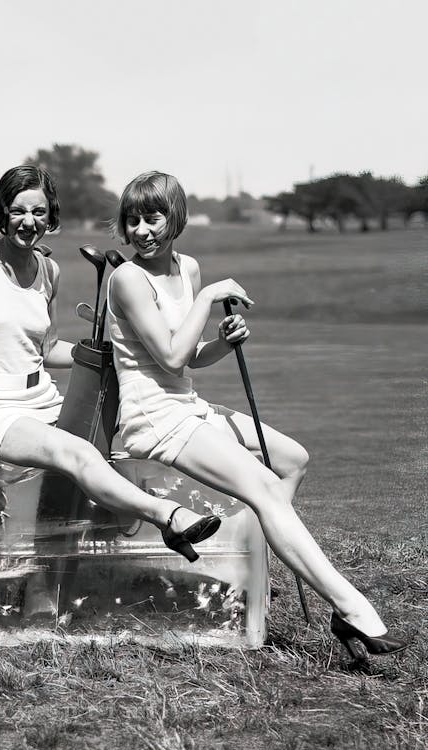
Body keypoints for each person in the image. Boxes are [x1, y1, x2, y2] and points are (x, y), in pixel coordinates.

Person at [103, 170, 406, 658]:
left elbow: (191, 356)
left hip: (186, 405)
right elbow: (169, 357)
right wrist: (206, 300)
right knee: (265, 490)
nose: (142, 231)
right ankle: (351, 610)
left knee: (292, 459)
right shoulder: (127, 279)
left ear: (175, 218)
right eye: (133, 220)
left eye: (153, 218)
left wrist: (223, 343)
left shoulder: (188, 268)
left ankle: (262, 558)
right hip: (153, 418)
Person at [0, 165, 222, 570]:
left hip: (43, 398)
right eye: (18, 211)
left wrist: (108, 350)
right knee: (79, 454)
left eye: (39, 212)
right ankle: (167, 517)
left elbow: (47, 350)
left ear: (51, 216)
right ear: (2, 212)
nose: (29, 222)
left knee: (100, 455)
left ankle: (63, 578)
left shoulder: (50, 270)